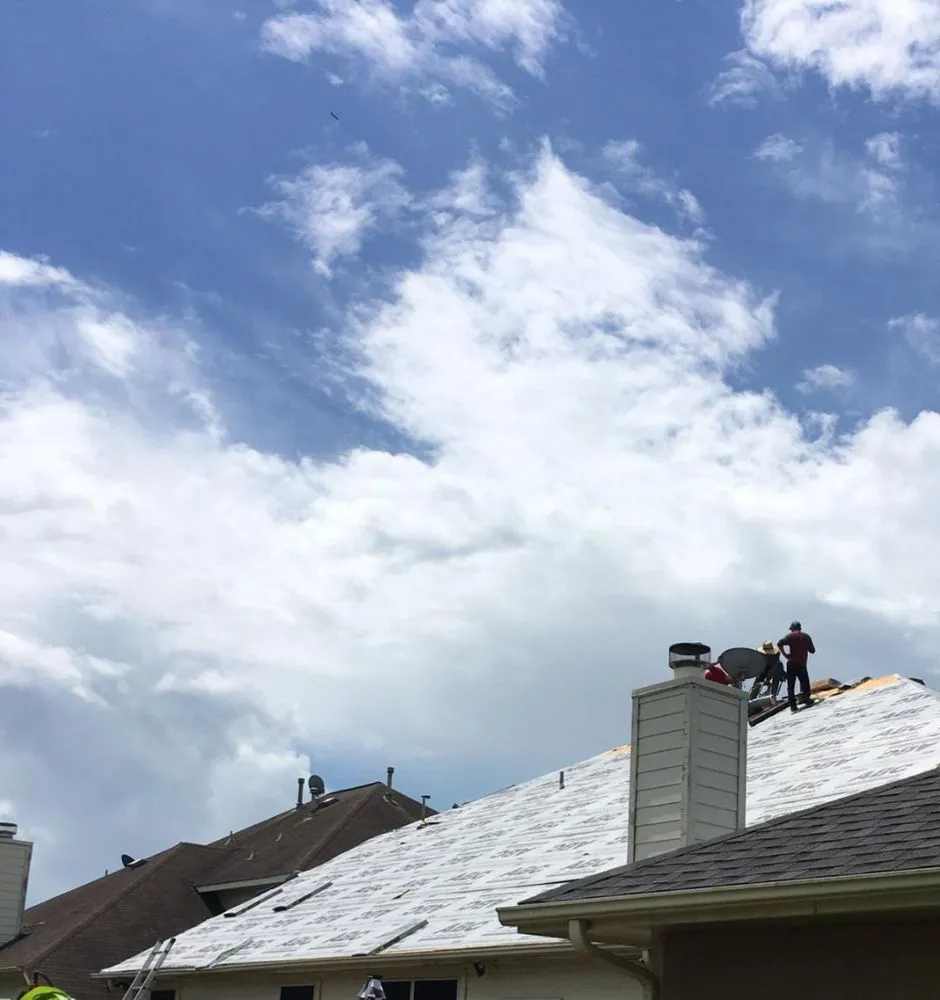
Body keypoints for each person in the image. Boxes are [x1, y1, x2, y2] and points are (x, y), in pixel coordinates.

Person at [778, 620, 815, 712]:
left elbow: (780, 643)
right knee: (805, 682)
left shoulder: (790, 636)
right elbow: (812, 650)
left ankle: (793, 706)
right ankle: (806, 698)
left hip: (792, 663)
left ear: (792, 629)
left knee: (791, 685)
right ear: (800, 628)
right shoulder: (806, 637)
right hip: (802, 664)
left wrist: (785, 655)